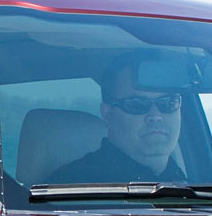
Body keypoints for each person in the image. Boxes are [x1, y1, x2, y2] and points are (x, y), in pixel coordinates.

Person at [49, 55, 189, 184]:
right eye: (137, 104)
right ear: (107, 113)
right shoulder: (70, 187)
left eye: (168, 103)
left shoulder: (199, 189)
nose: (156, 115)